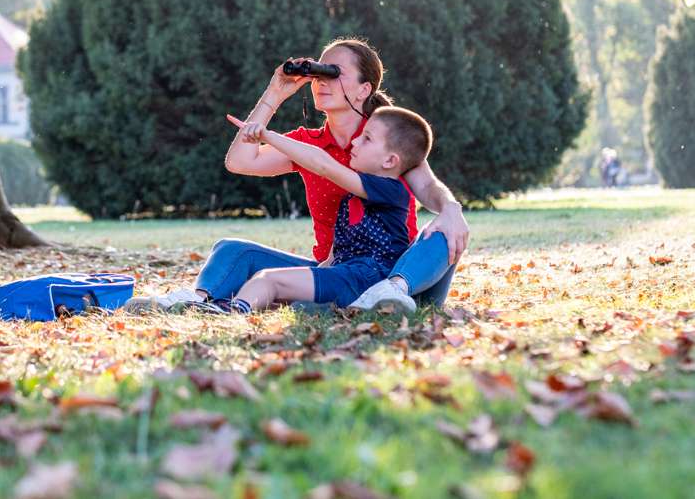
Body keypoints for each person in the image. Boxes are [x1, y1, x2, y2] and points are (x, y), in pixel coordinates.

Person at [123, 38, 469, 313]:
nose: (322, 81)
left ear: (364, 89)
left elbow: (427, 185)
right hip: (332, 269)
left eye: (335, 72)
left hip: (389, 269)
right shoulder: (307, 143)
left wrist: (451, 209)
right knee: (233, 250)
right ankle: (198, 300)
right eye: (319, 72)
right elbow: (239, 161)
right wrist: (274, 93)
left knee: (439, 230)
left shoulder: (382, 139)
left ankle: (395, 290)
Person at [208, 106, 431, 314]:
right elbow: (338, 252)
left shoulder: (390, 190)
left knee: (267, 279)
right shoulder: (354, 194)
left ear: (390, 161)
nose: (355, 141)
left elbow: (322, 163)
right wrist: (310, 277)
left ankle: (235, 311)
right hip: (347, 274)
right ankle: (233, 303)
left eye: (367, 139)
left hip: (371, 278)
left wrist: (266, 136)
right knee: (272, 281)